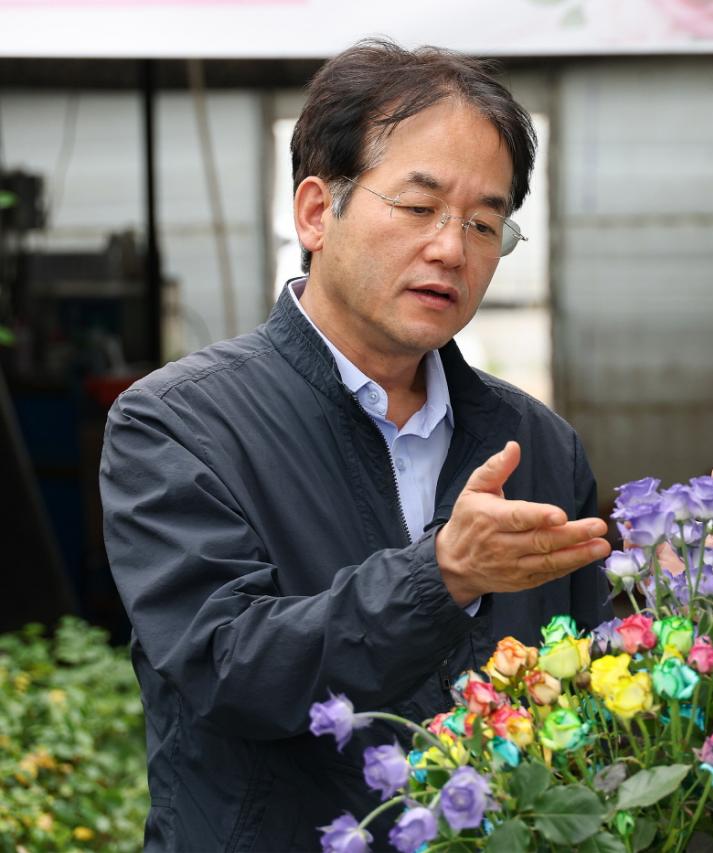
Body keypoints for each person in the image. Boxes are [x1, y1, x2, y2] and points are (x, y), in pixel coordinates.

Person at [100, 40, 612, 850]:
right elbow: (229, 667)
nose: (453, 247)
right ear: (315, 211)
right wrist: (440, 575)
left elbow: (582, 697)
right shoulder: (177, 423)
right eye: (419, 207)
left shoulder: (536, 444)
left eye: (486, 222)